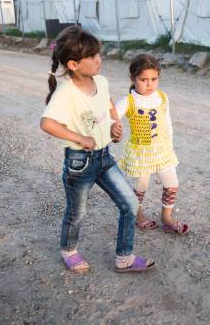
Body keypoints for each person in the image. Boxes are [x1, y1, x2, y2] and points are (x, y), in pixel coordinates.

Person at [39, 26, 154, 273]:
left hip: (105, 158)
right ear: (73, 64)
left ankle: (124, 258)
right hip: (80, 163)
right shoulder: (66, 91)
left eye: (98, 54)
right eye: (91, 57)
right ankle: (69, 250)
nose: (98, 60)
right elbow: (47, 123)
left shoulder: (100, 80)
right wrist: (81, 138)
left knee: (130, 204)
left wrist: (115, 122)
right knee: (77, 212)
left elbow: (108, 101)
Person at [114, 54, 189, 235]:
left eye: (154, 79)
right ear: (133, 78)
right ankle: (138, 216)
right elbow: (112, 115)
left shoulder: (162, 97)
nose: (149, 84)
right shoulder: (129, 101)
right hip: (141, 151)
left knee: (172, 183)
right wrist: (113, 125)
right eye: (143, 80)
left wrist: (169, 145)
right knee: (141, 186)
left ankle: (167, 218)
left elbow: (167, 121)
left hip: (162, 149)